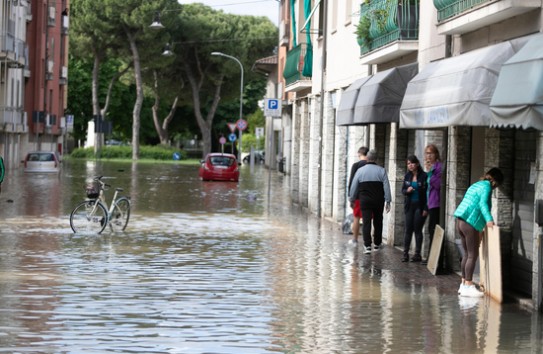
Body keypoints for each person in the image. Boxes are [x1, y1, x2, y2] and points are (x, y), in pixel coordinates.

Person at [454, 167, 504, 298]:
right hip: (469, 222)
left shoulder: (476, 185)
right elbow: (483, 204)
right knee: (472, 255)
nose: (495, 188)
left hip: (460, 220)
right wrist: (489, 220)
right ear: (495, 181)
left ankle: (463, 284)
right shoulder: (486, 187)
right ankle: (469, 285)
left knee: (466, 254)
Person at [349, 149, 392, 254]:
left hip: (365, 201)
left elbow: (354, 186)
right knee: (378, 221)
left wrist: (352, 199)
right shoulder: (382, 170)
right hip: (378, 200)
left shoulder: (360, 171)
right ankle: (377, 244)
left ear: (367, 159)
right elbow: (386, 187)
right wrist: (388, 200)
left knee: (366, 222)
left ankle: (367, 245)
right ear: (376, 159)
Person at [401, 155, 428, 262]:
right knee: (408, 229)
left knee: (417, 229)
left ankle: (417, 254)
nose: (410, 165)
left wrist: (426, 208)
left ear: (417, 164)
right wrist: (407, 191)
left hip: (420, 206)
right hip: (409, 206)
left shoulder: (424, 176)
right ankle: (405, 253)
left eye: (412, 163)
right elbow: (402, 190)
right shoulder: (407, 176)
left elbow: (427, 193)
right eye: (408, 163)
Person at [422, 144, 442, 265]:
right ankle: (430, 256)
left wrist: (430, 171)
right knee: (430, 229)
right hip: (429, 202)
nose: (428, 156)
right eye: (427, 153)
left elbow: (438, 184)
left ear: (436, 154)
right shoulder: (430, 169)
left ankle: (433, 258)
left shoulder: (439, 167)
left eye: (431, 153)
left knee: (433, 229)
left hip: (436, 203)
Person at [347, 146, 369, 245]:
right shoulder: (373, 165)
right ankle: (367, 241)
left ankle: (355, 240)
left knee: (356, 217)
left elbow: (352, 182)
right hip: (370, 196)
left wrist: (350, 197)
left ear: (359, 154)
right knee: (368, 219)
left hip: (358, 197)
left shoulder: (356, 166)